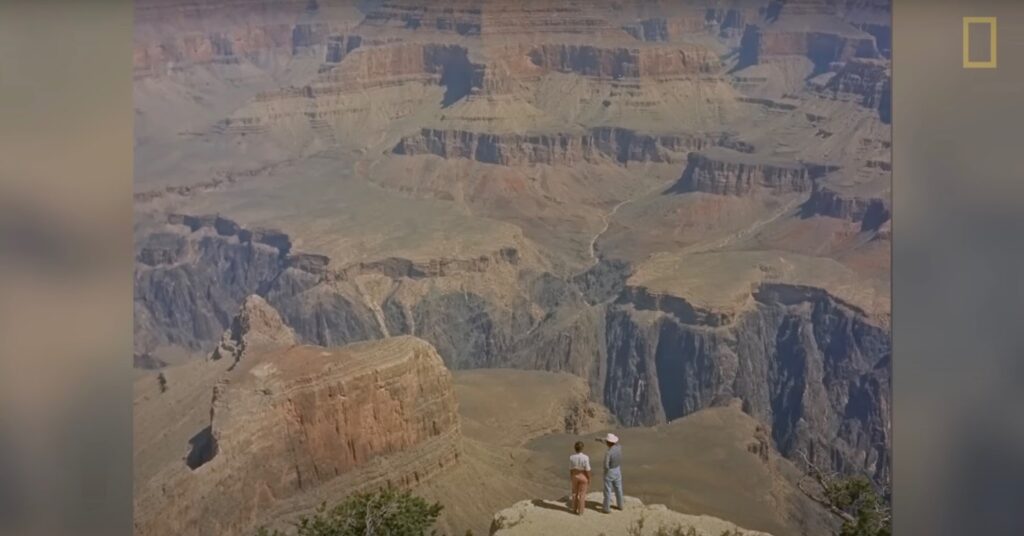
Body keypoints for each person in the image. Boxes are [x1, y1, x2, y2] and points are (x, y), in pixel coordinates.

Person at [599, 433, 623, 513]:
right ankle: (620, 505)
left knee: (608, 490)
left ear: (608, 443)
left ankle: (606, 508)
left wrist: (606, 472)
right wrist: (600, 439)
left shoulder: (608, 453)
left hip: (610, 471)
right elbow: (611, 443)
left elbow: (606, 465)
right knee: (618, 488)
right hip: (618, 469)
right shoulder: (619, 447)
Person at [568, 440, 591, 515]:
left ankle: (574, 509)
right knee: (582, 494)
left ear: (575, 448)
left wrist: (571, 477)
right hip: (583, 476)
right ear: (582, 448)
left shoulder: (571, 457)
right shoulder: (585, 457)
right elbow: (587, 469)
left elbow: (571, 469)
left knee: (574, 492)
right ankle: (581, 512)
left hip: (575, 475)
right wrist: (589, 478)